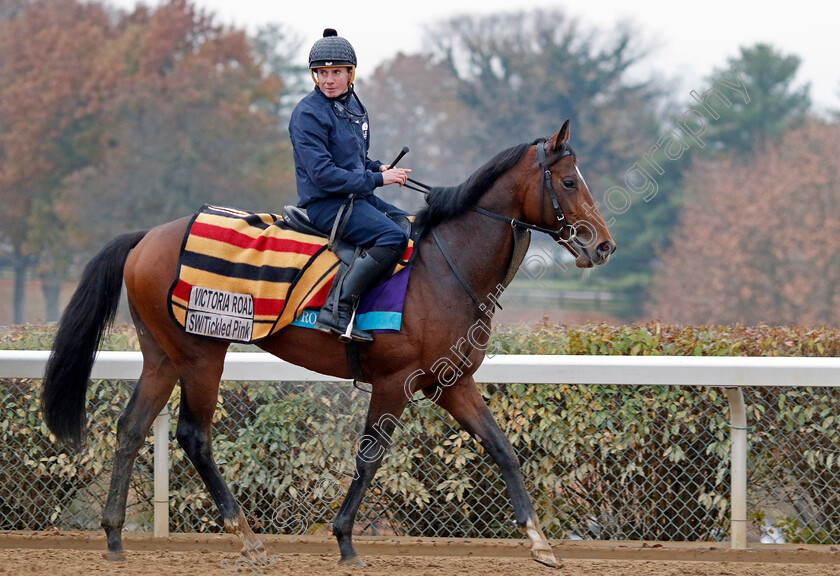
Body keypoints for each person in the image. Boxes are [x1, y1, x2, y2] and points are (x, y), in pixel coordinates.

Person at [289, 29, 411, 342]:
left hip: (355, 197)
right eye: (322, 73)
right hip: (326, 205)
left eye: (336, 72)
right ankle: (337, 311)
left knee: (406, 224)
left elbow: (355, 160)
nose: (328, 80)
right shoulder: (307, 114)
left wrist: (379, 167)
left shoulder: (354, 109)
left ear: (350, 74)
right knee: (391, 236)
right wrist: (377, 179)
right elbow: (325, 175)